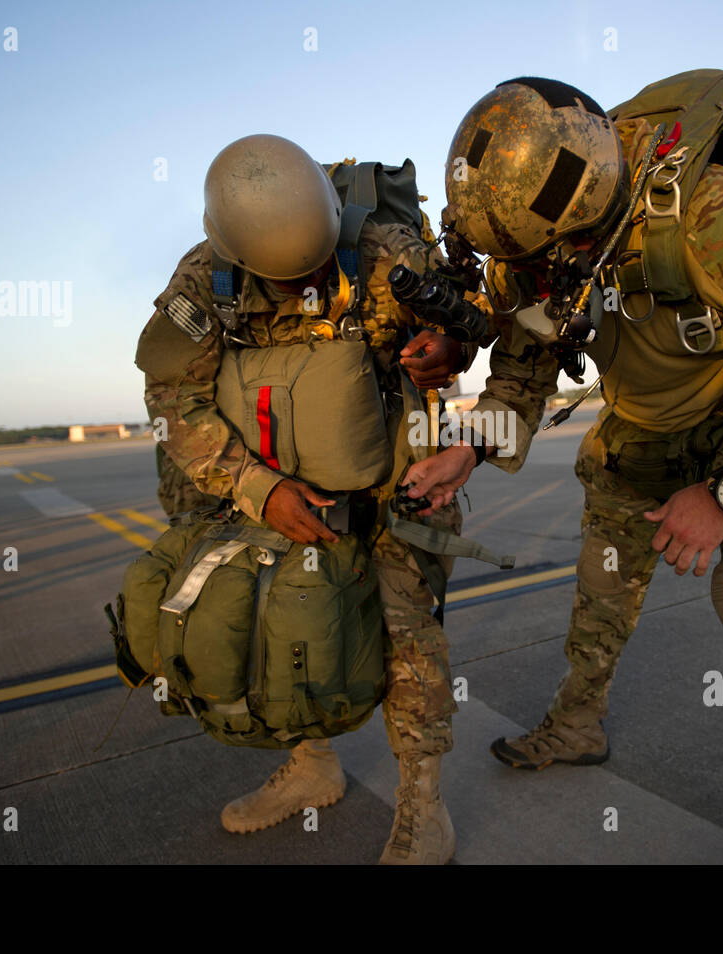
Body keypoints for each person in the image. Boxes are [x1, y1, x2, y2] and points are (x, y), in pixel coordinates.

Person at [401, 77, 723, 864]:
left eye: (555, 256)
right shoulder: (529, 245)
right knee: (603, 585)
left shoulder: (722, 218)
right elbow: (525, 366)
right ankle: (576, 723)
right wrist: (471, 444)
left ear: (591, 209)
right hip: (644, 424)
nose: (540, 274)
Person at [135, 133, 484, 864]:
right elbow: (173, 400)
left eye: (319, 269)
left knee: (407, 638)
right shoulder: (203, 280)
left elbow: (467, 327)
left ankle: (425, 807)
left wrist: (449, 350)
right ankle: (313, 765)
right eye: (287, 279)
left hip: (387, 477)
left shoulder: (388, 255)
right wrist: (259, 491)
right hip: (271, 485)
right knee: (275, 618)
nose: (308, 286)